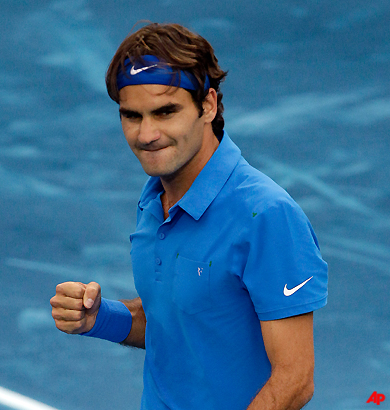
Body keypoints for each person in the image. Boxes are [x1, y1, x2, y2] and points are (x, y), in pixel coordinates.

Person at [50, 22, 328, 410]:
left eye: (165, 112)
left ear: (208, 105)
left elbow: (294, 379)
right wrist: (97, 318)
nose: (146, 134)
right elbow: (178, 320)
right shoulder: (155, 199)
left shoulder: (266, 215)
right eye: (132, 116)